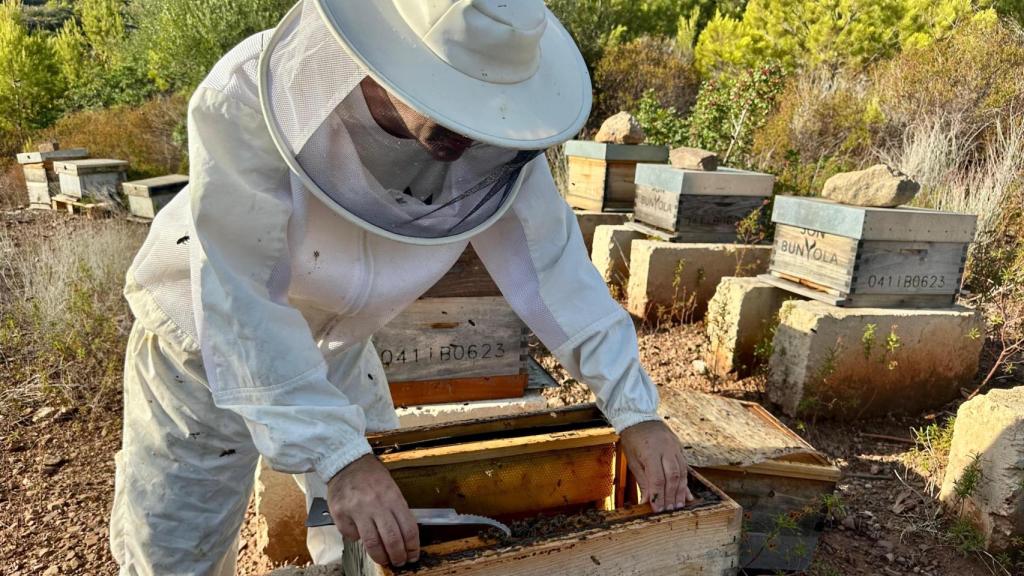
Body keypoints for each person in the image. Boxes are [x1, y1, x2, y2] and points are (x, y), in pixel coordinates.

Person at [110, 1, 694, 574]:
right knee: (175, 552)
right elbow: (241, 293)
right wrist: (338, 457)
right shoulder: (253, 96)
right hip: (199, 341)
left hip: (341, 343)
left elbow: (556, 270)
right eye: (455, 103)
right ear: (396, 54)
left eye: (486, 111)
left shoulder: (497, 132)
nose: (473, 135)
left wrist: (633, 409)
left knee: (377, 540)